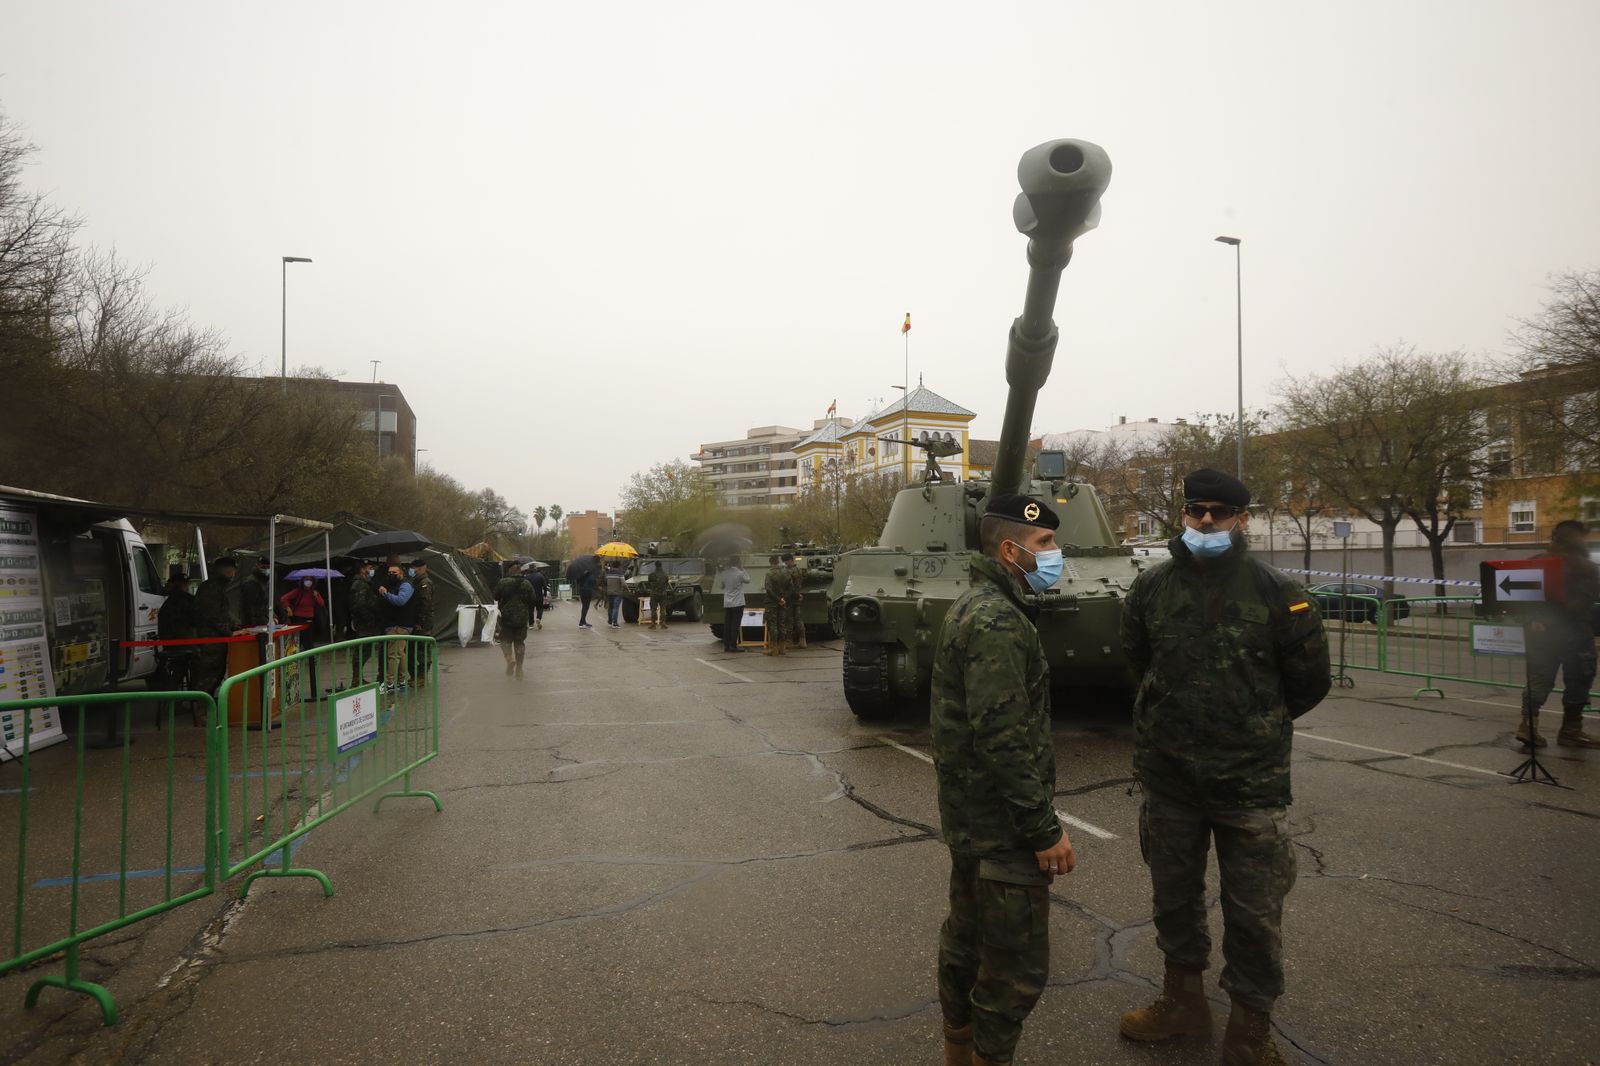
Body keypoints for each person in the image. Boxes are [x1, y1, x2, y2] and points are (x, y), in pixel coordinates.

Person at [1118, 468, 1331, 1066]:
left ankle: (1249, 1033)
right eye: (1195, 511)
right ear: (1183, 516)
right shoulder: (1152, 589)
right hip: (1171, 779)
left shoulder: (1279, 593)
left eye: (1217, 511)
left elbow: (1309, 684)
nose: (1204, 521)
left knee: (1255, 912)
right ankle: (1182, 1004)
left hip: (1250, 783)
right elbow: (1137, 664)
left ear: (1242, 518)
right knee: (1173, 900)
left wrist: (1249, 725)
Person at [930, 493, 1075, 1066]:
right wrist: (1042, 829)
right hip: (1003, 826)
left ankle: (958, 1051)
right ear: (1011, 550)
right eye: (1044, 544)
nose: (1055, 554)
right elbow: (1002, 736)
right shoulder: (996, 619)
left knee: (965, 941)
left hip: (974, 818)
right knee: (1013, 968)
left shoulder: (979, 605)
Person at [1517, 518, 1599, 749]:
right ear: (1578, 538)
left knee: (1539, 678)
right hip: (1575, 634)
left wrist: (1537, 618)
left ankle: (1528, 726)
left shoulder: (1536, 562)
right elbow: (1582, 604)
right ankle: (1571, 730)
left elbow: (1520, 600)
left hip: (1541, 632)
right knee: (1578, 681)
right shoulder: (1585, 567)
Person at [192, 557, 240, 694]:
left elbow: (223, 613)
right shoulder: (211, 588)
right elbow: (212, 616)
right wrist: (229, 632)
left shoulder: (218, 587)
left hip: (216, 638)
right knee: (208, 675)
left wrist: (235, 626)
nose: (234, 573)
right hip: (210, 639)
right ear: (229, 570)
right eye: (233, 570)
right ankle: (200, 709)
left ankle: (206, 707)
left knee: (216, 674)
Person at [154, 567, 200, 695]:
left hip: (169, 645)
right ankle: (195, 695)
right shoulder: (188, 600)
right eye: (185, 584)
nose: (186, 586)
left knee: (180, 667)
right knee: (199, 662)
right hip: (184, 646)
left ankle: (176, 697)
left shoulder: (168, 602)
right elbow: (196, 620)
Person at [279, 576, 326, 698]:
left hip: (310, 620)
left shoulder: (315, 592)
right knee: (297, 642)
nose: (308, 582)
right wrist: (288, 608)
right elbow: (284, 599)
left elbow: (321, 603)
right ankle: (295, 661)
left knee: (309, 643)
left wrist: (316, 596)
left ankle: (310, 659)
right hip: (298, 619)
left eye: (310, 580)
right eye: (306, 580)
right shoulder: (297, 591)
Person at [377, 562, 419, 691]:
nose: (391, 575)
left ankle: (389, 683)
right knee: (400, 654)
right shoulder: (394, 584)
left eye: (394, 572)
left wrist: (385, 594)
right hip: (397, 624)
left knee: (393, 654)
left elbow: (401, 601)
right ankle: (402, 680)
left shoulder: (405, 584)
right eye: (389, 572)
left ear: (401, 573)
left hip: (400, 625)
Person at [494, 561, 538, 678]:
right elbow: (533, 599)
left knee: (504, 640)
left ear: (509, 570)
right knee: (519, 643)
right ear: (519, 570)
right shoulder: (527, 583)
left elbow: (495, 596)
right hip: (522, 618)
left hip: (507, 617)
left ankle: (510, 659)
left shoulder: (503, 582)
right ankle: (519, 669)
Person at [346, 559, 385, 684]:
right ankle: (356, 679)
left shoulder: (366, 583)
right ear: (362, 570)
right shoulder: (359, 584)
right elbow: (359, 605)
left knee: (366, 650)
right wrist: (370, 618)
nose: (371, 570)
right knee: (362, 651)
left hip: (370, 623)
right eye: (369, 568)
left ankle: (358, 679)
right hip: (365, 624)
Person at [410, 559, 435, 687]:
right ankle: (416, 676)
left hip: (423, 622)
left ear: (421, 568)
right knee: (415, 650)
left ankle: (421, 676)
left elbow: (425, 604)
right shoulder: (416, 582)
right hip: (417, 621)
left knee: (423, 651)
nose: (412, 571)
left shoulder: (425, 583)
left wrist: (420, 621)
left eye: (414, 568)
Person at [718, 556, 750, 652]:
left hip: (727, 603)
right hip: (737, 603)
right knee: (735, 625)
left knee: (727, 624)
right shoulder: (739, 573)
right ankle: (733, 646)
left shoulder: (725, 573)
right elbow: (748, 580)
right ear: (738, 563)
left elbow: (722, 586)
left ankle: (726, 646)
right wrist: (742, 568)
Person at [763, 554, 790, 656]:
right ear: (778, 562)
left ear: (771, 563)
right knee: (782, 624)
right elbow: (790, 588)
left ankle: (774, 649)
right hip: (783, 602)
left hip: (772, 602)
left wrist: (777, 599)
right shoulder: (785, 572)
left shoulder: (769, 574)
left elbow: (768, 589)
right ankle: (782, 648)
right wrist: (783, 599)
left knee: (772, 625)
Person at [783, 553, 806, 649]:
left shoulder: (790, 571)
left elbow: (791, 587)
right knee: (798, 619)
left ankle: (789, 641)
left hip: (791, 598)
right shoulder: (797, 570)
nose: (785, 563)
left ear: (790, 560)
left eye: (786, 561)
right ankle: (802, 640)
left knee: (789, 620)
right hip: (796, 597)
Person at [647, 560, 671, 629]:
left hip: (654, 594)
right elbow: (667, 583)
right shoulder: (665, 574)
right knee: (663, 609)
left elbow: (649, 582)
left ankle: (653, 624)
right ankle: (663, 623)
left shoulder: (652, 574)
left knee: (653, 609)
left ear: (655, 565)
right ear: (661, 565)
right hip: (663, 594)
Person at [525, 565, 550, 630]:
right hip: (539, 596)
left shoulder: (527, 577)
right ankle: (538, 618)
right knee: (540, 608)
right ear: (535, 568)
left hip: (530, 597)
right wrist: (545, 595)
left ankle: (531, 624)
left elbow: (524, 588)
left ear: (529, 569)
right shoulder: (540, 576)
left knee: (530, 610)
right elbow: (544, 586)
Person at [604, 560, 627, 629]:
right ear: (619, 566)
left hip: (609, 592)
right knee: (615, 608)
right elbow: (623, 583)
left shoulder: (608, 573)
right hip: (617, 593)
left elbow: (605, 581)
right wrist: (627, 588)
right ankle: (615, 623)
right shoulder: (620, 573)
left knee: (610, 608)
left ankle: (610, 621)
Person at [576, 565, 597, 630]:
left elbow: (577, 581)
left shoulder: (581, 574)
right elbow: (594, 582)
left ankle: (583, 621)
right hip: (588, 591)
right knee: (586, 606)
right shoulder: (590, 575)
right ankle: (581, 623)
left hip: (582, 591)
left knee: (584, 606)